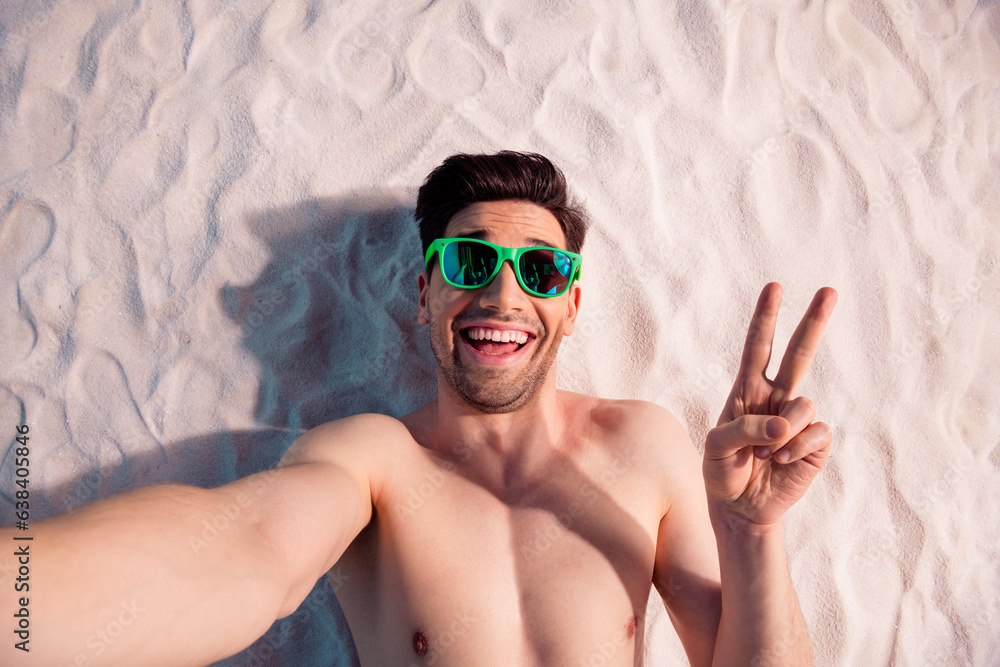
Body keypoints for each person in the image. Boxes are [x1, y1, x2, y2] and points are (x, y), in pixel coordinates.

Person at [1, 151, 837, 666]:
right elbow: (246, 553)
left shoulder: (644, 445)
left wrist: (753, 536)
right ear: (425, 291)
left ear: (572, 305)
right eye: (470, 260)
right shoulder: (374, 460)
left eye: (541, 272)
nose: (503, 293)